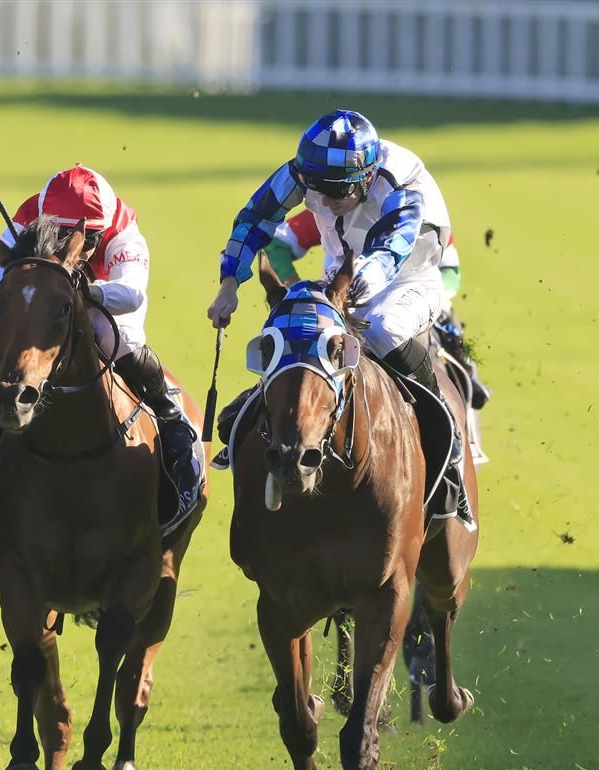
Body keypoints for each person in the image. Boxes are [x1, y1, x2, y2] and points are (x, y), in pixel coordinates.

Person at [207, 109, 473, 526]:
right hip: (343, 271)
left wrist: (352, 289)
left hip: (410, 277)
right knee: (296, 327)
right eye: (317, 189)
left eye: (336, 191)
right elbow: (255, 218)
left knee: (382, 329)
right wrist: (228, 283)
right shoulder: (304, 171)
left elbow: (391, 248)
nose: (324, 200)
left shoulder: (400, 180)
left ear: (367, 178)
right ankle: (263, 420)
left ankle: (447, 441)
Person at [0, 164, 197, 470]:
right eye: (62, 235)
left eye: (89, 239)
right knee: (16, 334)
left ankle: (170, 418)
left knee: (115, 337)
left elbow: (132, 294)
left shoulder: (121, 228)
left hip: (102, 303)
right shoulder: (25, 221)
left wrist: (85, 293)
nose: (76, 248)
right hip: (46, 305)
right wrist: (26, 293)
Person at [265, 209, 489, 408]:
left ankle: (463, 380)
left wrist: (440, 294)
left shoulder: (422, 211)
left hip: (407, 302)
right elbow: (276, 245)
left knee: (445, 314)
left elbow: (451, 271)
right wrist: (298, 290)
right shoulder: (332, 209)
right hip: (342, 305)